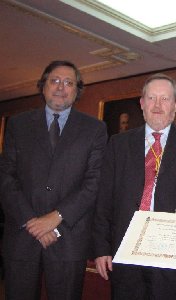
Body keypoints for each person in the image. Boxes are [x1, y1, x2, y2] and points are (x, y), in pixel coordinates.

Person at [0, 60, 107, 299]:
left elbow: (93, 183)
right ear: (43, 86)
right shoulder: (18, 125)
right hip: (22, 238)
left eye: (69, 82)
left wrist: (55, 217)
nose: (61, 87)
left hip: (69, 240)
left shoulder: (95, 129)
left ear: (77, 90)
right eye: (55, 81)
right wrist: (32, 221)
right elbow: (5, 178)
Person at [92, 73, 176, 300]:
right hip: (124, 248)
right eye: (151, 98)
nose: (157, 105)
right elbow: (104, 199)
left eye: (165, 99)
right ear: (142, 104)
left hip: (169, 250)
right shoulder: (117, 144)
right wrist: (101, 247)